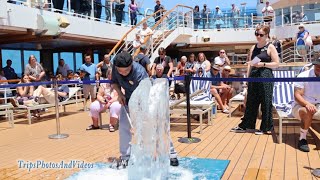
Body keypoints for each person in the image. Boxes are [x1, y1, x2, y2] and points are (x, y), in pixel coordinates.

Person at [111, 52, 179, 167]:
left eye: (125, 71)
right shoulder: (115, 66)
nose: (122, 73)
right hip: (127, 99)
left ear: (131, 65)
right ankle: (125, 157)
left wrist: (139, 118)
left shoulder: (140, 73)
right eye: (120, 71)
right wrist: (119, 94)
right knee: (124, 127)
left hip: (146, 100)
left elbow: (144, 96)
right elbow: (115, 82)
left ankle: (171, 154)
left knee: (157, 126)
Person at [231, 25, 279, 134]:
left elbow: (276, 63)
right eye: (256, 34)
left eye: (261, 35)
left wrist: (263, 64)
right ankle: (247, 125)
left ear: (266, 35)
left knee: (266, 102)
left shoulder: (270, 47)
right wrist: (247, 79)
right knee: (251, 101)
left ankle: (266, 127)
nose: (258, 36)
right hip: (254, 77)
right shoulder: (254, 47)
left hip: (265, 76)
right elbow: (251, 64)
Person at [290, 58, 320, 152]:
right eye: (317, 64)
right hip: (300, 106)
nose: (318, 67)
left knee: (311, 111)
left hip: (318, 105)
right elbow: (297, 95)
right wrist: (307, 104)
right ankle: (302, 139)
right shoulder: (303, 75)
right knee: (307, 111)